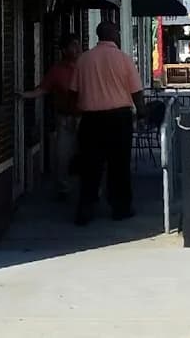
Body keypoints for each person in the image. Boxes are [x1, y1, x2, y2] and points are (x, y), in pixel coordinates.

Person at [69, 20, 145, 225]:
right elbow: (136, 92)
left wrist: (75, 115)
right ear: (113, 35)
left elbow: (73, 92)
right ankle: (120, 208)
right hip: (119, 119)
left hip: (91, 120)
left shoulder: (84, 60)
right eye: (118, 32)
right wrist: (142, 113)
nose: (119, 36)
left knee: (90, 166)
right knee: (119, 165)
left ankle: (86, 209)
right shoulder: (124, 59)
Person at [18, 34, 80, 199]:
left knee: (89, 154)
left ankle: (90, 189)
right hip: (65, 118)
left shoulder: (85, 66)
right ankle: (63, 188)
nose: (77, 49)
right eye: (73, 45)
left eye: (78, 45)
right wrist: (25, 95)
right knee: (62, 155)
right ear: (64, 50)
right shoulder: (57, 70)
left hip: (85, 117)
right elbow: (43, 89)